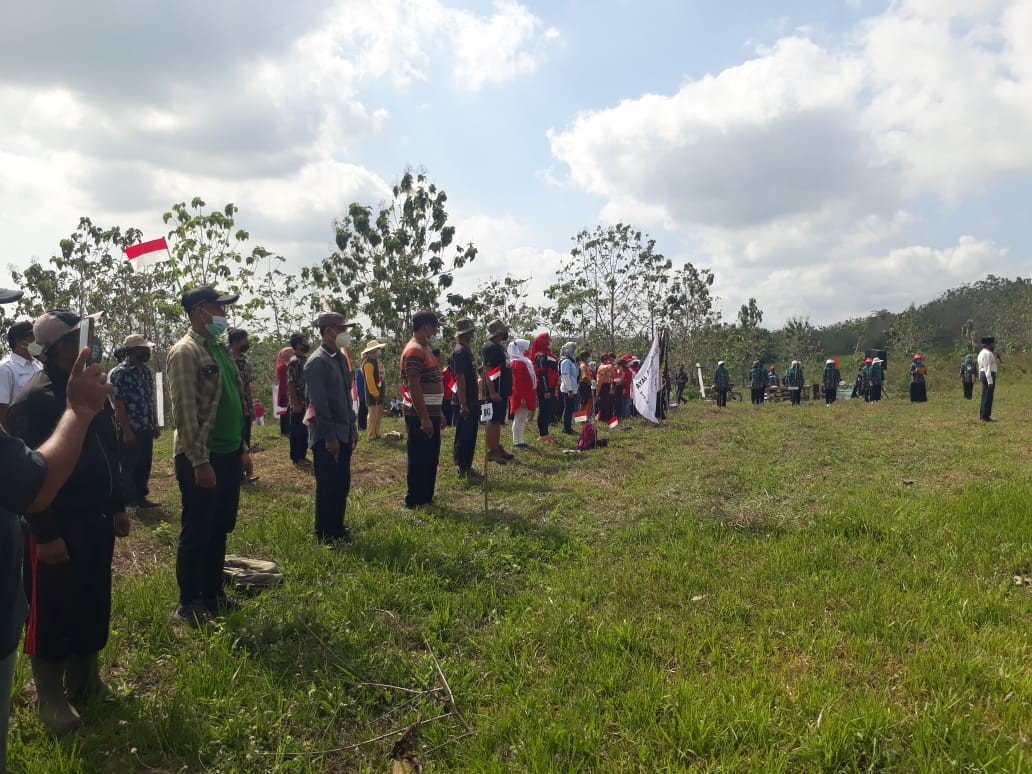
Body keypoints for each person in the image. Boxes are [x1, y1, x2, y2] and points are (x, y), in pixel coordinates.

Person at [0, 289, 115, 759]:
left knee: (92, 593)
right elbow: (24, 479)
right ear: (52, 352)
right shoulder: (37, 399)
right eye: (76, 344)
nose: (88, 351)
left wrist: (120, 505)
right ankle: (51, 691)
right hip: (56, 520)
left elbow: (107, 452)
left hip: (95, 517)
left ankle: (87, 674)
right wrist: (45, 533)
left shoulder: (88, 390)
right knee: (53, 604)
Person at [166, 286, 253, 627]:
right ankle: (189, 603)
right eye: (218, 307)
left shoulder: (220, 348)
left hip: (230, 452)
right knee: (198, 529)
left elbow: (233, 400)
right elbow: (185, 413)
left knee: (220, 527)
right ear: (200, 310)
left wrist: (243, 450)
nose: (223, 313)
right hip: (201, 455)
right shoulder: (185, 352)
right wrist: (199, 461)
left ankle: (214, 593)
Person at [304, 313, 359, 544]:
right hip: (328, 436)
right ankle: (325, 533)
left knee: (341, 484)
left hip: (343, 431)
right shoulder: (317, 361)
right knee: (328, 485)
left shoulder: (338, 358)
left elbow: (346, 398)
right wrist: (330, 437)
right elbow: (320, 403)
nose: (345, 333)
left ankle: (337, 527)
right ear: (328, 331)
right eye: (341, 328)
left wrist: (353, 428)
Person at [108, 334, 161, 508]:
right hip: (130, 427)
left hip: (145, 425)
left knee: (144, 463)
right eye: (143, 349)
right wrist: (127, 431)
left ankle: (141, 496)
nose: (147, 352)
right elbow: (119, 403)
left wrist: (155, 423)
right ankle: (128, 499)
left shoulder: (145, 371)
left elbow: (149, 398)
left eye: (147, 349)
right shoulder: (120, 373)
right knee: (129, 465)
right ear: (132, 351)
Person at [401, 311, 445, 510]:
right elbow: (414, 386)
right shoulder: (414, 351)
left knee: (430, 456)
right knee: (420, 457)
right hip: (420, 415)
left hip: (432, 413)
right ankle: (417, 500)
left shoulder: (425, 348)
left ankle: (427, 497)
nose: (436, 329)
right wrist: (425, 417)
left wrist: (439, 412)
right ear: (425, 326)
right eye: (435, 325)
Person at [449, 319, 480, 478]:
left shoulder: (466, 350)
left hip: (471, 399)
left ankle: (467, 465)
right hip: (465, 401)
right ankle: (462, 467)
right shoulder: (460, 352)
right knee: (465, 435)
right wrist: (463, 404)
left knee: (471, 434)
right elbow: (459, 378)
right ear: (467, 333)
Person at [0, 320, 42, 431]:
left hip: (40, 429)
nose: (37, 341)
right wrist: (12, 441)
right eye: (32, 337)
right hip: (19, 432)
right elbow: (2, 410)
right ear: (19, 342)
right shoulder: (6, 368)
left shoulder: (39, 364)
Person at [482, 319, 514, 463]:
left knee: (498, 420)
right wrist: (492, 392)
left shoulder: (499, 347)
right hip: (492, 393)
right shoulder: (490, 348)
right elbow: (487, 372)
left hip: (502, 391)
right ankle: (491, 450)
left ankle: (497, 446)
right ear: (498, 332)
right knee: (491, 419)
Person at [227, 329, 257, 454]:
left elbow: (247, 386)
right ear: (236, 342)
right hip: (232, 407)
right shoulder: (227, 360)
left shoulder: (246, 362)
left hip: (245, 409)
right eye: (245, 340)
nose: (247, 343)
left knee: (246, 438)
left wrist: (251, 407)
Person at [286, 335, 312, 468]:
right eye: (304, 342)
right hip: (298, 402)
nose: (306, 344)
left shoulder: (306, 360)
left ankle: (302, 455)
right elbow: (291, 383)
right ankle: (296, 457)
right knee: (296, 431)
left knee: (304, 430)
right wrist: (295, 403)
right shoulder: (294, 362)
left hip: (306, 401)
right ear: (297, 345)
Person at [530, 332, 559, 442]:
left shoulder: (547, 354)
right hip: (544, 387)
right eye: (547, 341)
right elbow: (541, 374)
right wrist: (546, 389)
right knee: (543, 410)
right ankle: (543, 434)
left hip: (550, 386)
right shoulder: (540, 355)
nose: (549, 343)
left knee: (548, 410)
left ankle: (546, 433)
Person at [509, 338, 537, 450]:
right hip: (521, 395)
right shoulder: (517, 363)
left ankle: (521, 441)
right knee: (519, 418)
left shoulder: (522, 361)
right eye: (527, 348)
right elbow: (517, 383)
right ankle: (517, 442)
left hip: (526, 394)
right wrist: (522, 398)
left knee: (522, 418)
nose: (529, 350)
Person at [360, 339, 386, 441]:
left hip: (379, 392)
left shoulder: (376, 361)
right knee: (372, 415)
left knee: (378, 414)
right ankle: (371, 435)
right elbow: (369, 379)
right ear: (370, 352)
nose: (378, 352)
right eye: (376, 350)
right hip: (373, 393)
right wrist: (374, 392)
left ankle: (377, 432)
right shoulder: (368, 363)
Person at [558, 342, 579, 435]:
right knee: (568, 409)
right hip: (568, 389)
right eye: (573, 349)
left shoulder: (571, 361)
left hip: (573, 388)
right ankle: (566, 428)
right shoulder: (565, 361)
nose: (574, 351)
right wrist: (570, 389)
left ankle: (569, 426)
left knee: (570, 409)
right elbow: (565, 376)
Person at [275, 343, 295, 436]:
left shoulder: (282, 365)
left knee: (285, 412)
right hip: (286, 391)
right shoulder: (284, 367)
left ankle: (285, 430)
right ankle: (286, 431)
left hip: (284, 391)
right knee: (286, 412)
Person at [977, 336, 998, 422]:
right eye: (992, 344)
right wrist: (990, 381)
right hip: (988, 375)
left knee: (985, 396)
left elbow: (981, 366)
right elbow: (987, 368)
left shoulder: (982, 353)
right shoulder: (987, 354)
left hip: (984, 374)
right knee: (988, 397)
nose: (993, 346)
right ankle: (985, 417)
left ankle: (983, 416)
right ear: (988, 345)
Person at [595, 354, 615, 421]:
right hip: (607, 385)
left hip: (603, 386)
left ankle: (603, 418)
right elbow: (614, 376)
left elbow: (599, 381)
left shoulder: (602, 367)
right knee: (606, 403)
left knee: (603, 403)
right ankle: (607, 417)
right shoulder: (609, 367)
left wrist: (597, 391)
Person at [577, 350, 594, 415]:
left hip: (586, 385)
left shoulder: (586, 365)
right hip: (584, 385)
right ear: (584, 357)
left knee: (587, 402)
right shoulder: (583, 366)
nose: (589, 358)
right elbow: (584, 377)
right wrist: (591, 385)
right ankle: (581, 420)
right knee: (583, 403)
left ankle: (585, 418)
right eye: (588, 357)